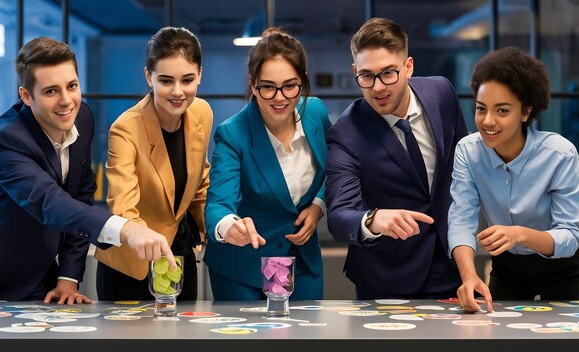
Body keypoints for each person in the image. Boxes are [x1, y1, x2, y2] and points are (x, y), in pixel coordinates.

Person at [0, 37, 176, 303]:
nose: (67, 101)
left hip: (43, 280)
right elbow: (51, 203)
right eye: (51, 91)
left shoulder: (82, 119)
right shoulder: (7, 142)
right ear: (26, 96)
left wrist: (68, 277)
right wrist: (126, 229)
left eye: (72, 86)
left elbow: (81, 195)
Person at [325, 18, 468, 299]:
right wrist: (373, 220)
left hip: (450, 265)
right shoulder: (345, 133)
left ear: (409, 67)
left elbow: (466, 166)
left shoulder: (442, 93)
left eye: (388, 73)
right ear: (355, 71)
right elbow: (339, 216)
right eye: (366, 76)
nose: (378, 87)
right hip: (385, 277)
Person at [448, 47, 579, 312]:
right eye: (481, 109)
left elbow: (569, 236)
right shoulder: (468, 152)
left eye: (502, 111)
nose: (488, 121)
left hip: (566, 270)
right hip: (509, 271)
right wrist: (469, 276)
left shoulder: (559, 154)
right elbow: (460, 219)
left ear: (525, 112)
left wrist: (518, 234)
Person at [204, 28, 331, 300]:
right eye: (268, 87)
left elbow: (336, 168)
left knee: (306, 340)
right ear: (252, 83)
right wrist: (229, 226)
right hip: (243, 265)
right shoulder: (232, 133)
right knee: (249, 344)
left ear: (303, 81)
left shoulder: (316, 113)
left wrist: (318, 205)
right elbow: (218, 203)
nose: (279, 97)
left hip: (302, 259)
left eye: (289, 85)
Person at [94, 27, 212, 301]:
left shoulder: (202, 113)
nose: (178, 92)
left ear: (200, 75)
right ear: (149, 76)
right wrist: (142, 236)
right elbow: (123, 206)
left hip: (178, 259)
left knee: (183, 342)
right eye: (166, 81)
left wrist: (220, 226)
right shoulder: (125, 129)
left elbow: (199, 187)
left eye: (187, 80)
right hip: (132, 265)